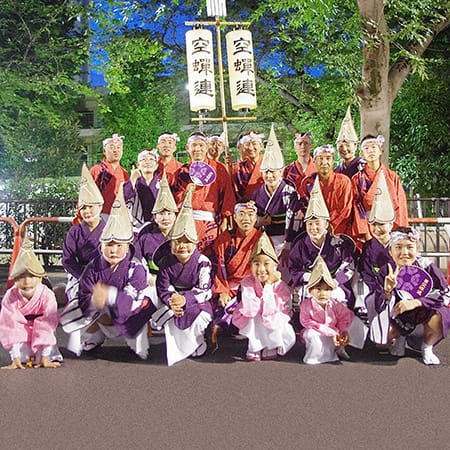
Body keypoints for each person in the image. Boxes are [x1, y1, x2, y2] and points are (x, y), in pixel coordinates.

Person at [64, 184, 156, 359]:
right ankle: (92, 337)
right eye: (83, 207)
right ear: (101, 247)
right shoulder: (88, 259)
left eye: (119, 245)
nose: (113, 250)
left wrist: (109, 296)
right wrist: (94, 300)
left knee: (141, 303)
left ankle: (135, 342)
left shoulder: (135, 268)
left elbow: (132, 301)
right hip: (84, 276)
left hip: (125, 310)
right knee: (78, 305)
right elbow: (68, 261)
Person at [364, 227, 450, 365]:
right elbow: (378, 305)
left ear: (417, 249)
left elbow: (445, 293)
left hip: (424, 317)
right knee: (382, 340)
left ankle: (427, 346)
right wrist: (387, 292)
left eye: (410, 247)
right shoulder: (386, 271)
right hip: (398, 318)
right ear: (390, 251)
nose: (404, 252)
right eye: (398, 247)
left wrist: (417, 302)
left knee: (441, 315)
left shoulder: (426, 266)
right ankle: (400, 339)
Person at [155, 186, 213, 366]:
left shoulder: (203, 262)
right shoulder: (166, 262)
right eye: (178, 242)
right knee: (170, 314)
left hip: (196, 301)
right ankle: (179, 347)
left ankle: (197, 342)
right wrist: (173, 300)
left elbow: (205, 290)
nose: (182, 246)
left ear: (195, 243)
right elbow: (163, 287)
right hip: (174, 300)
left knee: (200, 316)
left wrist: (185, 299)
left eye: (187, 242)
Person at [289, 177, 357, 308]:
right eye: (310, 224)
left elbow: (348, 266)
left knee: (337, 299)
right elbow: (294, 268)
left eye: (317, 223)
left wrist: (334, 281)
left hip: (334, 284)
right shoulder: (300, 245)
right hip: (309, 284)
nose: (313, 228)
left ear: (326, 224)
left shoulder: (338, 245)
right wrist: (311, 279)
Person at [232, 232, 296, 361]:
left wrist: (268, 286)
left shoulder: (280, 285)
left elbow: (273, 309)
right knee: (255, 318)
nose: (261, 269)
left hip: (272, 316)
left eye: (266, 264)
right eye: (256, 264)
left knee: (274, 319)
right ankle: (254, 346)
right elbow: (250, 308)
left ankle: (270, 345)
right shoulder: (247, 282)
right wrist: (263, 302)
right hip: (253, 315)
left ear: (275, 265)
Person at [0, 237, 62, 369]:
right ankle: (17, 358)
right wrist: (15, 356)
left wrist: (45, 356)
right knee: (23, 355)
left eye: (32, 276)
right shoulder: (11, 296)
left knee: (43, 353)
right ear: (14, 279)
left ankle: (45, 355)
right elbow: (10, 325)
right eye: (21, 277)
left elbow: (48, 322)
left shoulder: (47, 295)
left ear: (40, 278)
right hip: (20, 333)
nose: (27, 281)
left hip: (43, 333)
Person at [172, 132, 236, 255]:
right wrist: (185, 194)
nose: (197, 149)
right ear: (187, 148)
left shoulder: (218, 168)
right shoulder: (182, 171)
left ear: (207, 147)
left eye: (201, 145)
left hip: (211, 222)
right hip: (187, 221)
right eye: (194, 145)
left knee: (211, 257)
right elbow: (175, 199)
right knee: (188, 256)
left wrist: (225, 221)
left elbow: (227, 196)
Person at [211, 199, 262, 341]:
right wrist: (222, 291)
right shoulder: (224, 239)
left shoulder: (262, 239)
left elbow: (266, 269)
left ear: (256, 218)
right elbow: (217, 267)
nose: (246, 218)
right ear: (234, 217)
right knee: (221, 316)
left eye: (250, 214)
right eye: (242, 214)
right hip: (230, 286)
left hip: (253, 286)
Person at [252, 125, 301, 273]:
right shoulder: (257, 193)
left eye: (273, 172)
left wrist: (288, 245)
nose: (269, 175)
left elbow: (294, 219)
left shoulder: (289, 192)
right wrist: (259, 221)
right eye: (266, 172)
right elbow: (254, 217)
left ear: (281, 171)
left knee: (283, 273)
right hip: (265, 238)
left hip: (286, 238)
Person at [62, 163, 105, 307]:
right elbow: (67, 260)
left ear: (100, 206)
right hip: (80, 274)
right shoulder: (74, 232)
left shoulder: (109, 229)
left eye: (91, 207)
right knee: (79, 301)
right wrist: (84, 277)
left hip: (106, 275)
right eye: (83, 208)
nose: (87, 211)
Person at [134, 171, 178, 311]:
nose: (166, 218)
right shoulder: (145, 236)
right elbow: (137, 259)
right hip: (151, 281)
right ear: (154, 216)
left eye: (169, 213)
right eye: (161, 214)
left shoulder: (181, 235)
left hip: (177, 282)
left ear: (175, 215)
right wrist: (148, 276)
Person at [352, 134, 408, 243]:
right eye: (366, 148)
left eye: (373, 147)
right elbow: (356, 208)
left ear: (380, 150)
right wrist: (366, 234)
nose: (370, 151)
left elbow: (400, 206)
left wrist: (398, 232)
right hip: (369, 229)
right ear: (362, 154)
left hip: (391, 228)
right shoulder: (357, 180)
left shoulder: (392, 177)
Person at [354, 170, 396, 315]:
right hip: (374, 287)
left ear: (391, 224)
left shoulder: (399, 245)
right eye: (374, 224)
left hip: (397, 289)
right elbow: (365, 271)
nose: (377, 229)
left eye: (382, 224)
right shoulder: (369, 246)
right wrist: (377, 288)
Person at [300, 255, 355, 364]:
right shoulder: (306, 305)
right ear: (310, 290)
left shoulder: (335, 305)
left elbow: (345, 317)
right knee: (311, 334)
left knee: (353, 326)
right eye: (318, 289)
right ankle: (313, 357)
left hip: (333, 333)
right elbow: (306, 322)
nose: (322, 293)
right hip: (317, 331)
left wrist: (342, 331)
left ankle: (335, 352)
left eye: (327, 289)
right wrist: (330, 331)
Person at [300, 144, 353, 236]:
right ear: (314, 161)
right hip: (315, 229)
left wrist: (329, 224)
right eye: (320, 158)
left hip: (339, 229)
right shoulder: (307, 182)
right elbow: (304, 207)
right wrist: (318, 225)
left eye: (328, 158)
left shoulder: (344, 181)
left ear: (333, 161)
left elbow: (345, 209)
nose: (324, 162)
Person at [89, 133, 129, 218]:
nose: (115, 150)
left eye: (118, 147)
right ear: (104, 151)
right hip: (99, 215)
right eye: (112, 147)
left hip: (120, 215)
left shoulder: (125, 173)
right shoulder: (96, 170)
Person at [123, 148, 161, 232]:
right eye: (143, 159)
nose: (147, 162)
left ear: (156, 165)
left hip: (157, 227)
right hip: (136, 228)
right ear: (138, 165)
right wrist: (132, 179)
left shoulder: (162, 185)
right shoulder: (133, 183)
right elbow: (124, 199)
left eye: (151, 159)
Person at [233, 130, 265, 198]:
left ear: (261, 146)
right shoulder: (238, 168)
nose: (250, 148)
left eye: (254, 144)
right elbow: (233, 189)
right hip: (244, 203)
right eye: (247, 144)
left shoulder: (269, 165)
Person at [334, 106, 363, 179]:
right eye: (341, 146)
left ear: (355, 146)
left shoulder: (363, 166)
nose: (344, 149)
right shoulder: (336, 171)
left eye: (348, 145)